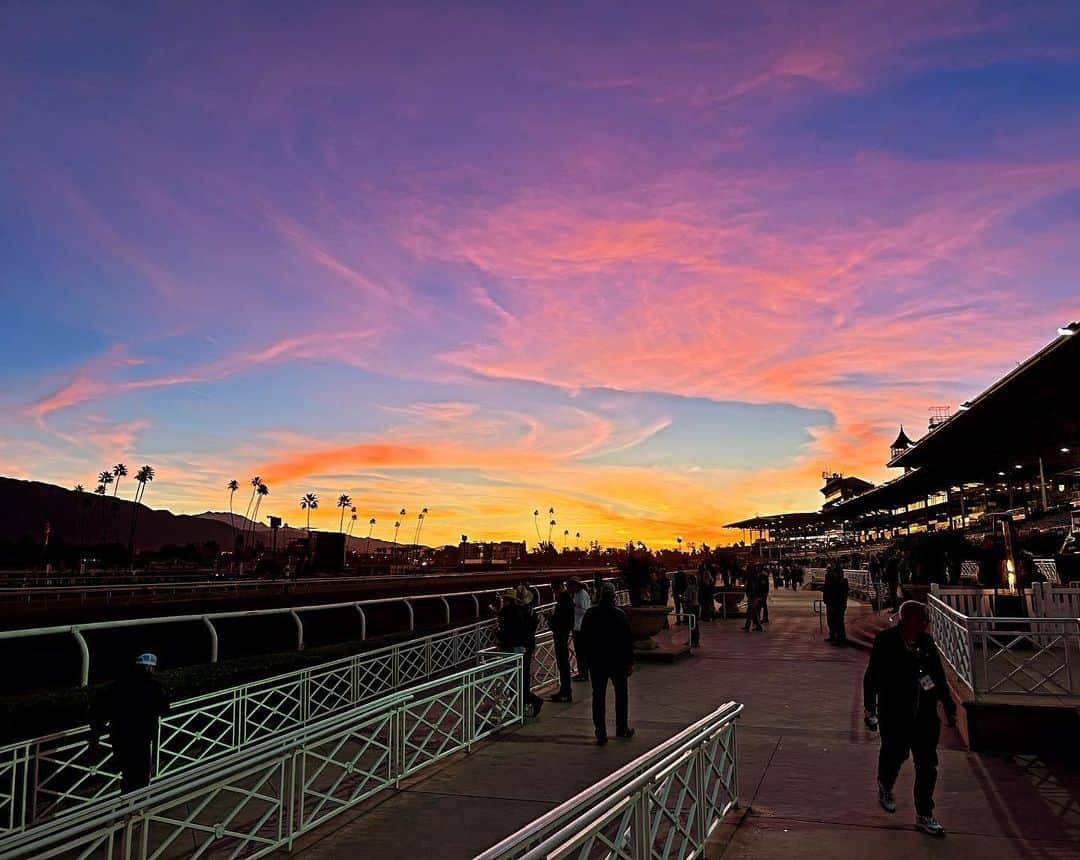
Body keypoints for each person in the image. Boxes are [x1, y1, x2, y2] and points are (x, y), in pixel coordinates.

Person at [864, 601, 956, 838]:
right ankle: (885, 784)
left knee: (927, 765)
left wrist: (947, 703)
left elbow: (937, 674)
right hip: (895, 712)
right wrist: (869, 709)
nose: (927, 622)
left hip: (925, 714)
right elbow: (872, 674)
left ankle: (924, 814)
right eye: (923, 617)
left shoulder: (926, 642)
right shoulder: (886, 640)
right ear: (910, 619)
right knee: (896, 754)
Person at [89, 653, 169, 793]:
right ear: (150, 668)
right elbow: (165, 708)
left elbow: (97, 709)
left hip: (119, 735)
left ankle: (127, 802)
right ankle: (136, 808)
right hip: (141, 736)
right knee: (141, 774)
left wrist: (97, 732)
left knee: (126, 773)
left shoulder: (116, 684)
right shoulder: (153, 686)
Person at [580, 583, 635, 744]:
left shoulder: (590, 614)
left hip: (597, 662)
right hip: (618, 662)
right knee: (621, 696)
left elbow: (583, 639)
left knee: (598, 697)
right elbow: (627, 641)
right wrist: (630, 662)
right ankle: (622, 728)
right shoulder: (620, 615)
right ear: (614, 596)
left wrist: (585, 659)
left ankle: (601, 734)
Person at [497, 589, 543, 717]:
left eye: (504, 599)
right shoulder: (525, 611)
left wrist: (498, 634)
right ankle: (520, 705)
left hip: (515, 647)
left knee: (515, 678)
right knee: (520, 678)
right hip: (524, 646)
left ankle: (529, 701)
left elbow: (510, 631)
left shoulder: (510, 612)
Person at [548, 581, 575, 702]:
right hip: (562, 633)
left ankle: (565, 692)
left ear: (559, 588)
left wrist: (550, 619)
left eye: (554, 590)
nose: (554, 593)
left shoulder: (564, 602)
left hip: (561, 634)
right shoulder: (566, 600)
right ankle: (564, 690)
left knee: (563, 664)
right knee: (563, 664)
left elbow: (561, 619)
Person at [569, 579, 592, 681]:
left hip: (580, 627)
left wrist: (572, 608)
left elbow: (584, 610)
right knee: (580, 652)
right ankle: (582, 672)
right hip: (578, 625)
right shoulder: (578, 594)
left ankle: (583, 674)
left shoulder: (581, 595)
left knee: (581, 652)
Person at [822, 564, 850, 645]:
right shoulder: (834, 581)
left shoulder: (840, 583)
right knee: (831, 621)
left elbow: (837, 594)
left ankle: (840, 639)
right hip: (832, 603)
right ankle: (834, 636)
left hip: (837, 604)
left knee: (839, 622)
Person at [683, 574, 700, 646]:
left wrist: (683, 600)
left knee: (692, 623)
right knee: (695, 624)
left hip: (691, 606)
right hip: (697, 606)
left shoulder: (690, 588)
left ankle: (692, 640)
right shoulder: (697, 587)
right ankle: (696, 640)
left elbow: (689, 598)